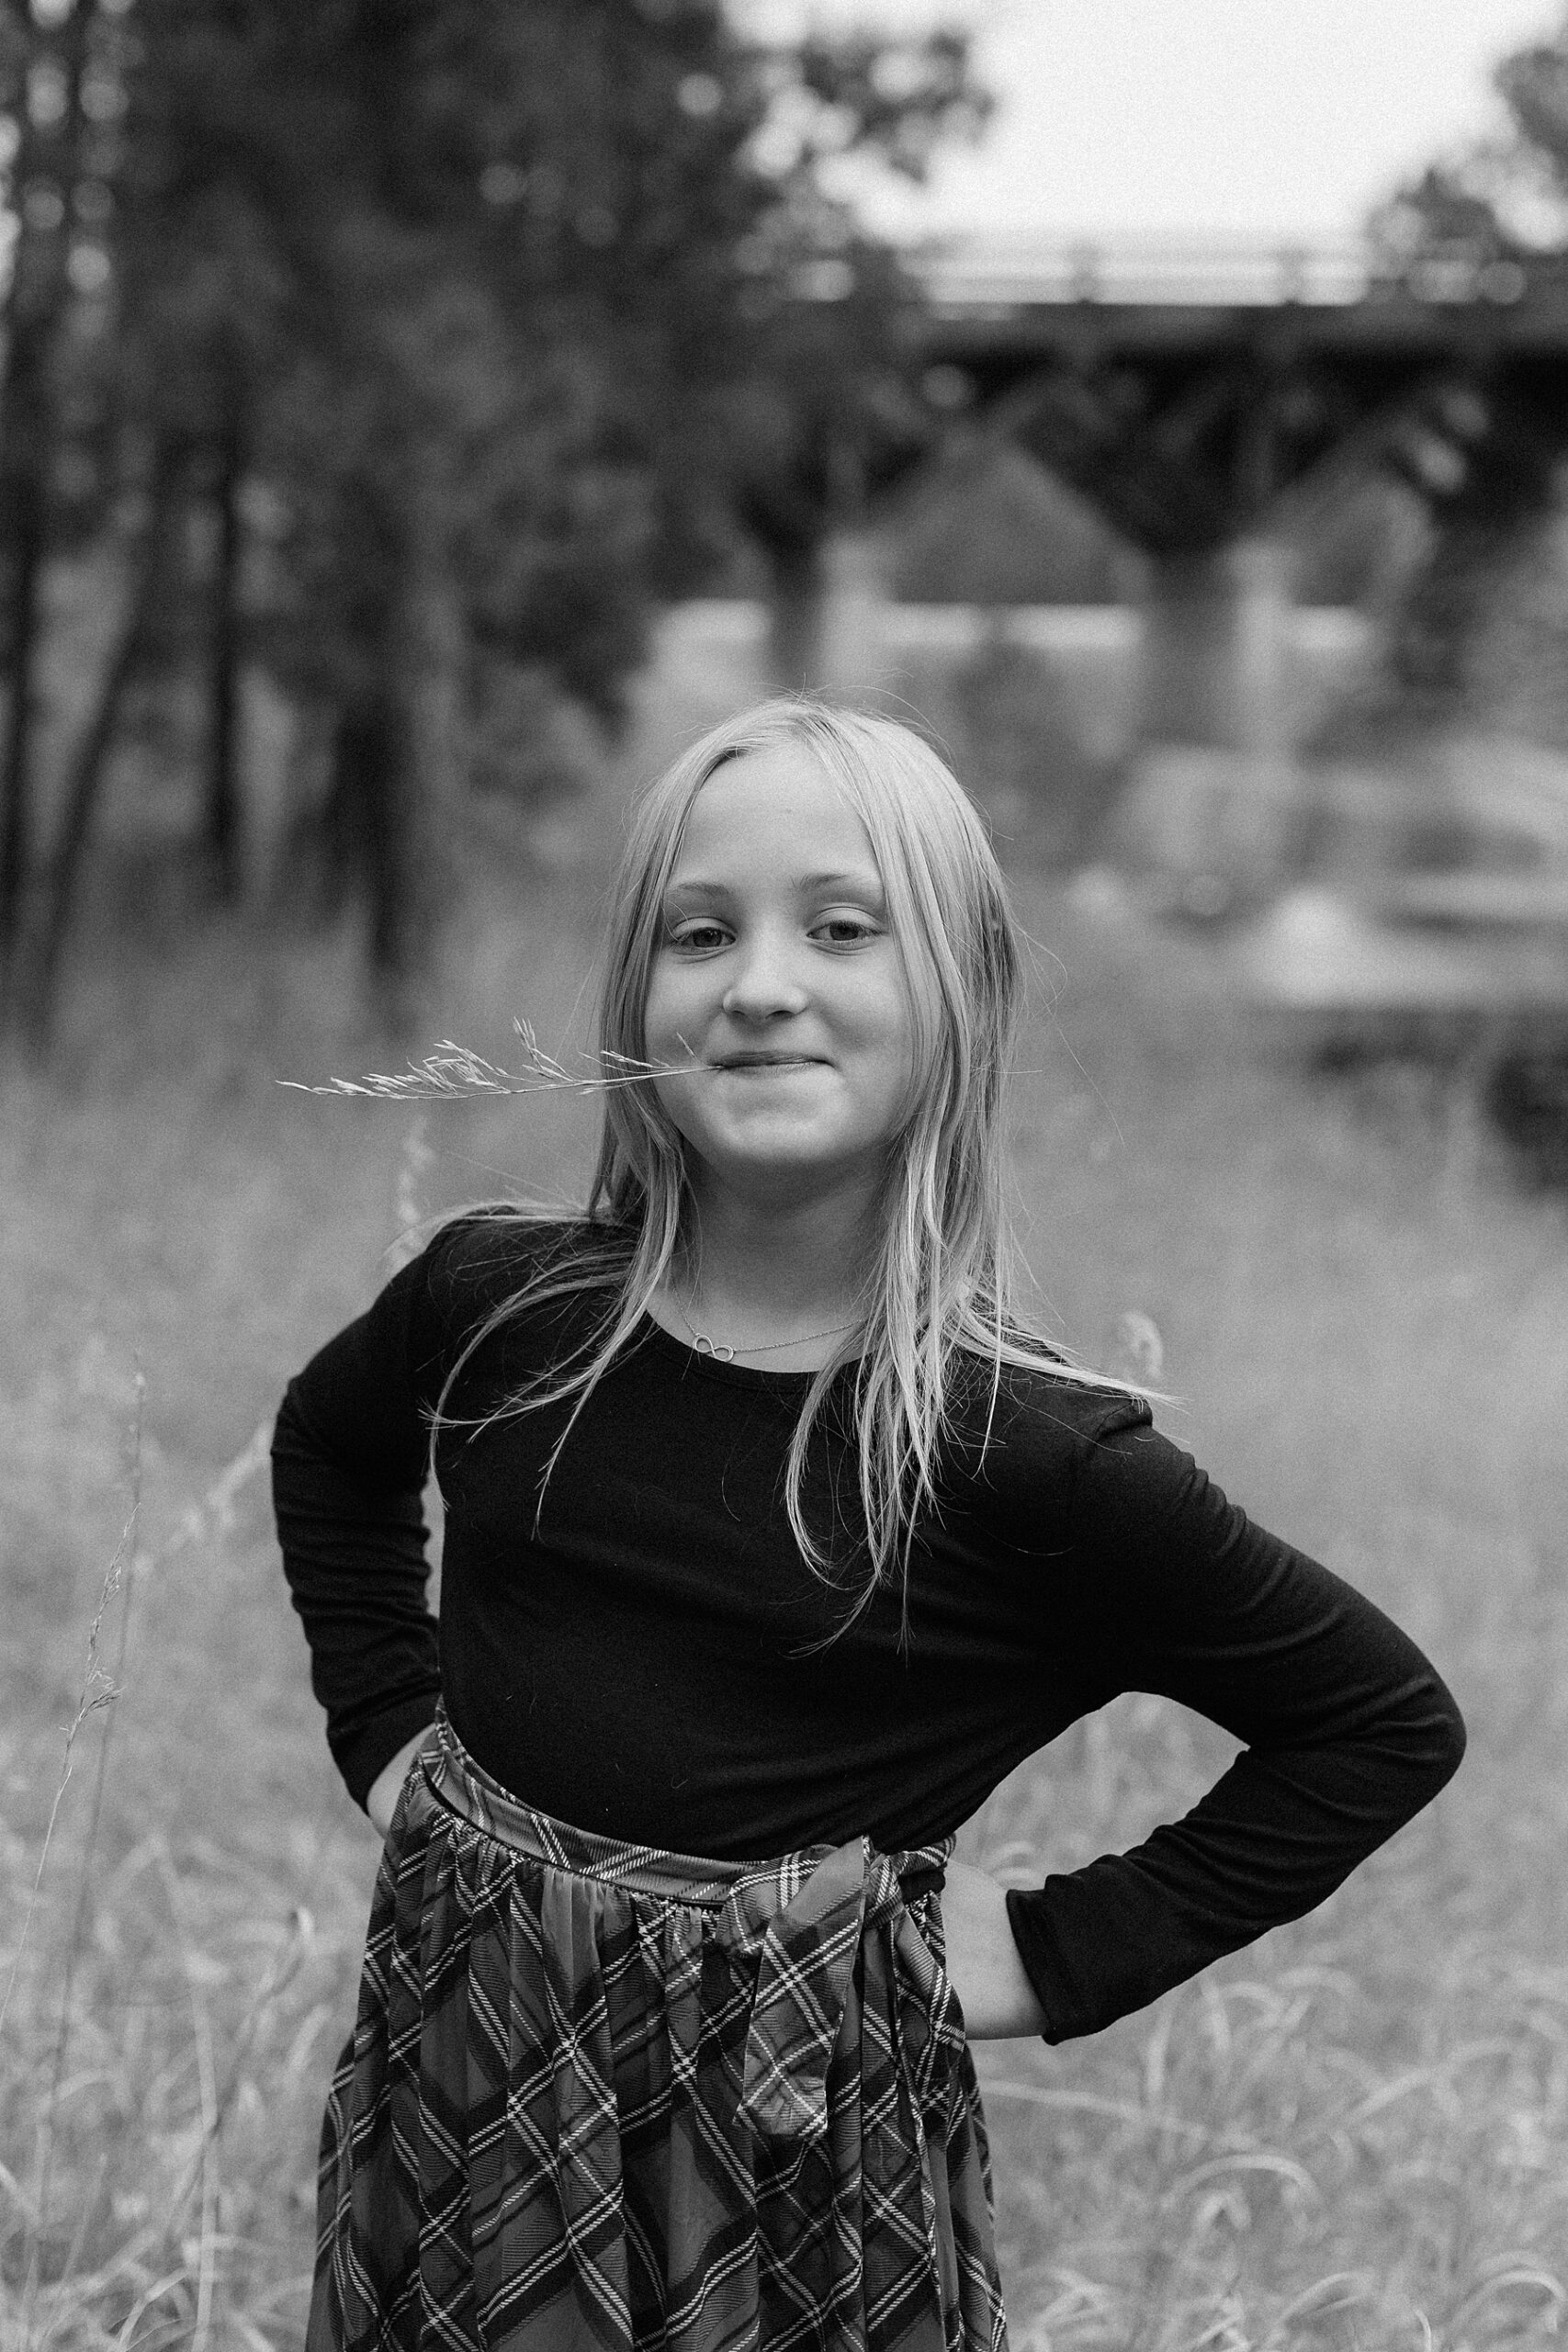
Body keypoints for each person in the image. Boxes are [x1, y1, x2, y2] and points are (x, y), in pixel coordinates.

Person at [273, 699, 1465, 2352]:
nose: (760, 982)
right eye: (703, 932)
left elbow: (1377, 1721)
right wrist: (388, 1721)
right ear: (637, 998)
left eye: (842, 928)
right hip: (465, 2067)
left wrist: (1060, 1949)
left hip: (792, 2165)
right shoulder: (498, 1306)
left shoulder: (1029, 1456)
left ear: (962, 994)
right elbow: (330, 1449)